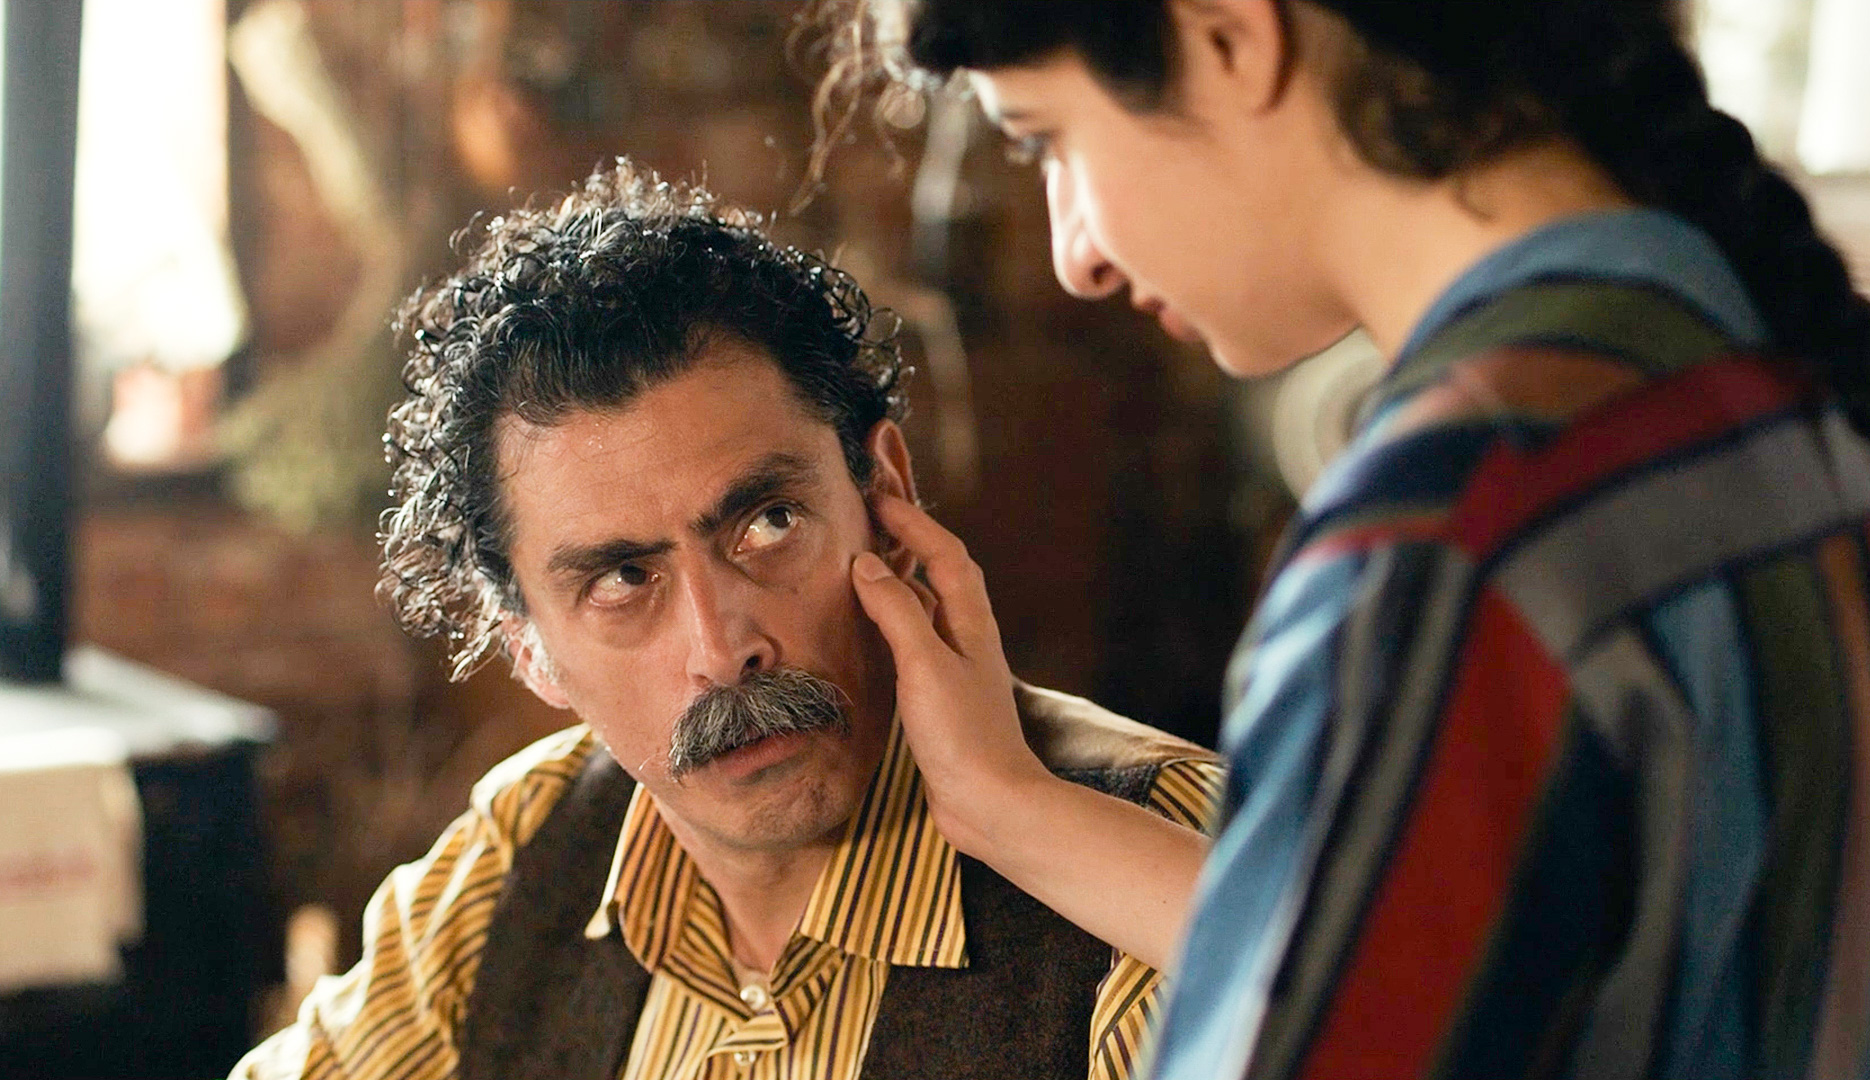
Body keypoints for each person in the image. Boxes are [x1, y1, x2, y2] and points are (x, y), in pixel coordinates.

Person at [816, 1, 1870, 1077]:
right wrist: (1006, 804)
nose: (1075, 257)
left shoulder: (1454, 538)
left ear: (1228, 37)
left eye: (1049, 139)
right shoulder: (1760, 382)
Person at [229, 161, 1223, 1080]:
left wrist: (1010, 811)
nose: (722, 648)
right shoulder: (524, 860)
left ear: (885, 495)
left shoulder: (1169, 866)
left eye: (768, 523)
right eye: (623, 578)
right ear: (528, 647)